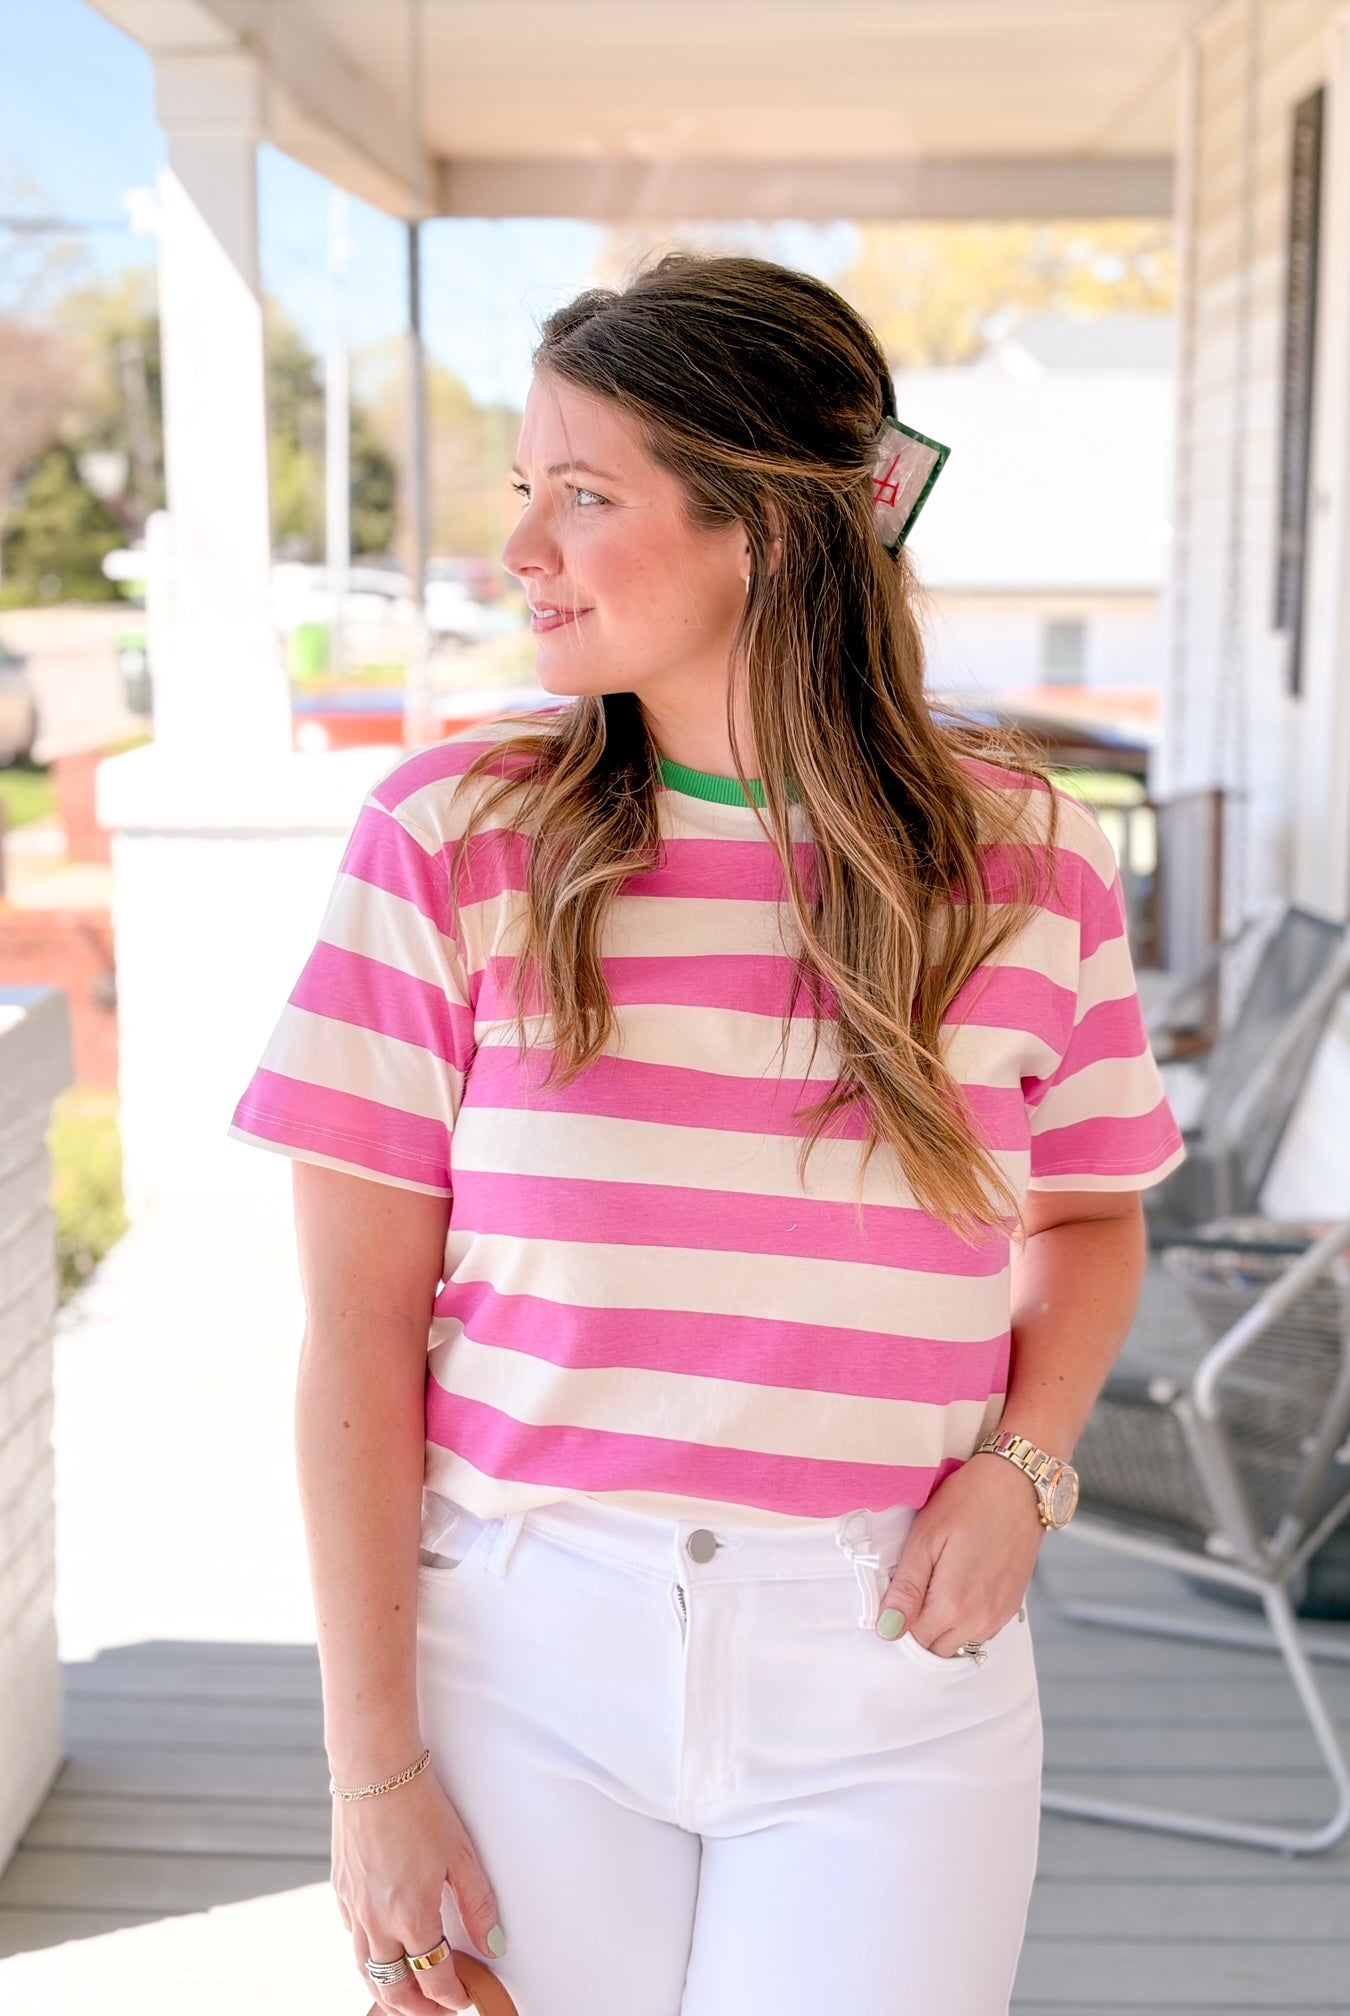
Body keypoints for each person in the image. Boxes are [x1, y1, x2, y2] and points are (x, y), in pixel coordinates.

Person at [230, 254, 1184, 2016]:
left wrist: (1025, 1472)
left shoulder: (1026, 854)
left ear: (767, 529)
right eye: (526, 491)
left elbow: (1092, 1219)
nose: (520, 549)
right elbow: (354, 1339)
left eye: (581, 497)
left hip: (893, 1667)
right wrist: (372, 1781)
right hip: (518, 1652)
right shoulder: (448, 839)